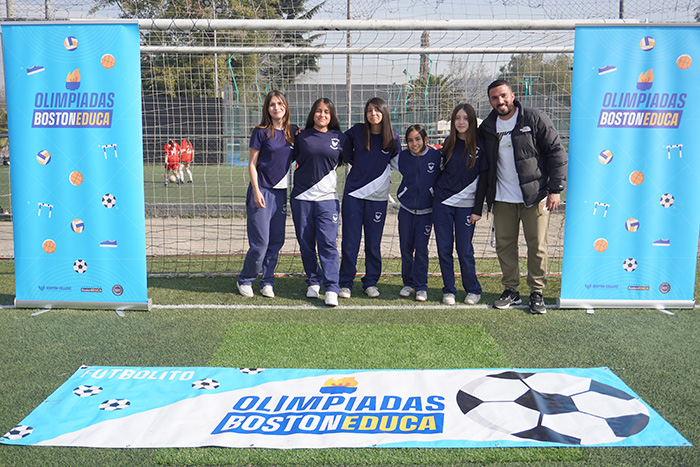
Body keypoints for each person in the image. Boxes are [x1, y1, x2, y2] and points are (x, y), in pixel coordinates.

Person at [479, 79, 567, 314]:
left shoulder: (534, 118)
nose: (500, 101)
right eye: (494, 98)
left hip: (535, 197)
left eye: (503, 96)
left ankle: (536, 292)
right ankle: (511, 291)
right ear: (490, 101)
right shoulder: (487, 127)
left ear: (512, 95)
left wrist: (555, 189)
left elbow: (556, 152)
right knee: (504, 246)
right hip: (502, 199)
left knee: (537, 246)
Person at [237, 91, 298, 298]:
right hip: (261, 191)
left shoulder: (293, 132)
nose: (276, 108)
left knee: (276, 241)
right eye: (272, 104)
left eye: (280, 104)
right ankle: (245, 279)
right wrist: (256, 191)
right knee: (260, 243)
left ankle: (267, 281)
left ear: (286, 106)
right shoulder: (260, 132)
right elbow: (252, 164)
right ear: (267, 109)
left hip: (281, 194)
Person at [338, 97, 400, 299]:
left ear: (384, 112)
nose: (373, 114)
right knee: (350, 242)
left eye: (377, 110)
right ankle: (345, 282)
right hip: (354, 195)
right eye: (369, 110)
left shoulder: (393, 137)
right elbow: (341, 145)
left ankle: (371, 282)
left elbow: (398, 161)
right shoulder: (357, 131)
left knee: (373, 243)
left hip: (377, 198)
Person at [290, 98, 347, 307]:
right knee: (306, 243)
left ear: (331, 116)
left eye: (326, 112)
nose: (322, 115)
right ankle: (313, 281)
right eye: (318, 111)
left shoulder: (340, 138)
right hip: (302, 198)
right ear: (312, 113)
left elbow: (354, 158)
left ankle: (332, 287)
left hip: (327, 199)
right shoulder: (301, 136)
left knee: (328, 243)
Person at [433, 103, 488, 306]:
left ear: (472, 121)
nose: (461, 122)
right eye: (457, 118)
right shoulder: (448, 143)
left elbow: (484, 179)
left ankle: (473, 289)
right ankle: (449, 290)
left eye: (465, 118)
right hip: (442, 203)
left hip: (466, 206)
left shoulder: (481, 146)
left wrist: (477, 209)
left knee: (464, 250)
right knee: (444, 249)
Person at [395, 124, 442, 302]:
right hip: (406, 210)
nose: (414, 143)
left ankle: (421, 286)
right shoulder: (402, 157)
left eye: (417, 139)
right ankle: (408, 283)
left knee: (421, 250)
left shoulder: (436, 157)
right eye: (410, 140)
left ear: (425, 139)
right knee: (406, 248)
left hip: (426, 212)